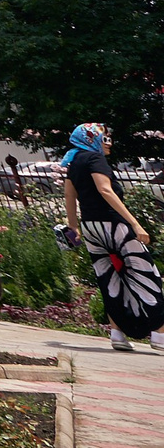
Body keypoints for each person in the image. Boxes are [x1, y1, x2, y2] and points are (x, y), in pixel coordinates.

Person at [63, 122, 164, 352]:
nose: (108, 143)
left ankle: (117, 333)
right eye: (104, 138)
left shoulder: (74, 161)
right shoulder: (94, 159)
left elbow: (69, 195)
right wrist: (135, 223)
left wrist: (73, 227)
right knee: (148, 274)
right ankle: (159, 334)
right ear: (92, 139)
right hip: (114, 226)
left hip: (91, 227)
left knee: (109, 280)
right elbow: (105, 190)